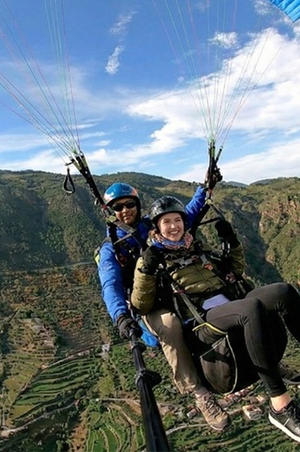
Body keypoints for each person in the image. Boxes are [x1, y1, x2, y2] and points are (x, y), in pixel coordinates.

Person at [131, 196, 300, 445]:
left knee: (283, 292)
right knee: (250, 307)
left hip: (231, 304)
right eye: (166, 222)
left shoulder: (198, 249)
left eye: (177, 220)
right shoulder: (151, 260)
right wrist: (146, 270)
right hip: (202, 321)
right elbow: (142, 304)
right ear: (157, 228)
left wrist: (231, 242)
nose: (173, 226)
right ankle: (280, 405)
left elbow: (234, 271)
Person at [96, 180, 231, 431]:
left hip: (177, 289)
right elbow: (110, 284)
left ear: (137, 204)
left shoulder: (152, 226)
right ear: (111, 211)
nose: (125, 210)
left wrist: (205, 188)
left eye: (129, 204)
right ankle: (199, 393)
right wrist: (121, 316)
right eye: (118, 207)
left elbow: (186, 215)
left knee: (225, 296)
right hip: (149, 304)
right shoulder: (111, 248)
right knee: (169, 324)